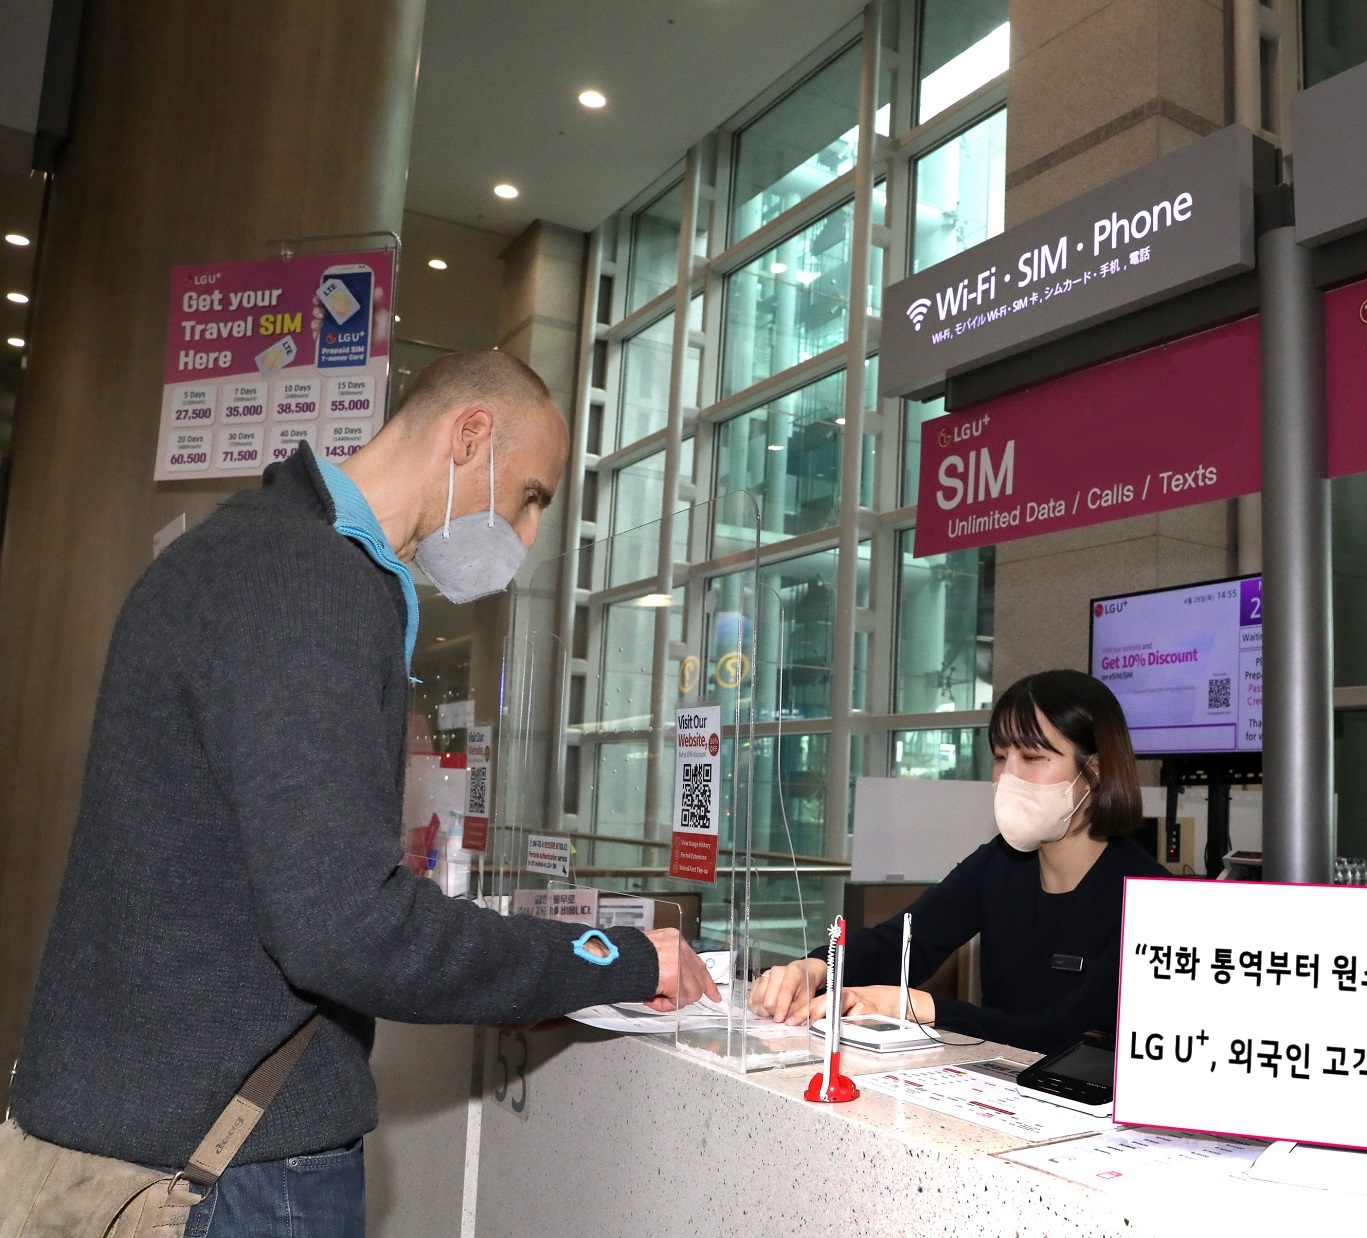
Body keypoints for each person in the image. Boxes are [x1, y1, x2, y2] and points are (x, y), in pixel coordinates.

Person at [6, 350, 716, 1235]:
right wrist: (613, 959)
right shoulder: (309, 581)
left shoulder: (228, 554)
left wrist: (519, 985)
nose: (530, 534)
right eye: (532, 495)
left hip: (123, 1137)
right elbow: (347, 928)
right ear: (470, 436)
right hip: (223, 1177)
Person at [748, 669, 1165, 1053]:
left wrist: (917, 1006)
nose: (1008, 776)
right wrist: (816, 968)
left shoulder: (1152, 899)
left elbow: (1068, 1034)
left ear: (1096, 770)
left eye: (1033, 758)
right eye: (1000, 757)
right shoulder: (999, 864)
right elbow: (902, 943)